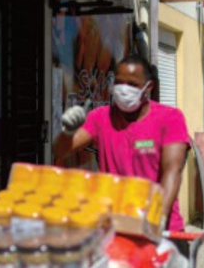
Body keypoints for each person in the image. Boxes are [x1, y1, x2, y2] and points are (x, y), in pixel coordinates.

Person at [53, 55, 190, 250]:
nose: (124, 89)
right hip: (117, 230)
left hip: (162, 230)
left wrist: (157, 218)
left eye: (133, 84)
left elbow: (172, 171)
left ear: (148, 87)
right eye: (118, 82)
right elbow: (60, 150)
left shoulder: (170, 118)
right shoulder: (100, 118)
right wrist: (67, 132)